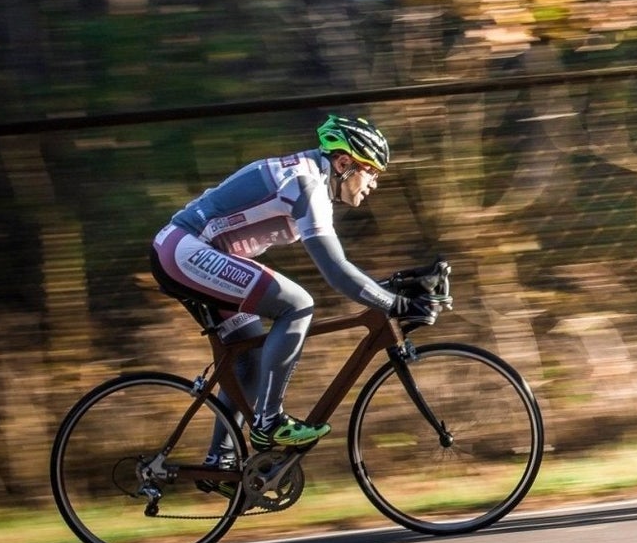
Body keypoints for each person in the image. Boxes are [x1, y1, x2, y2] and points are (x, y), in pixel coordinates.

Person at [149, 114, 435, 453]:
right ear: (343, 162)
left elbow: (342, 272)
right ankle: (269, 423)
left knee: (250, 357)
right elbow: (336, 272)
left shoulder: (314, 180)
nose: (374, 183)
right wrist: (393, 303)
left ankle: (221, 460)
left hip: (189, 252)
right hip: (186, 251)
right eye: (371, 171)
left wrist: (394, 290)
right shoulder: (307, 184)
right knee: (297, 304)